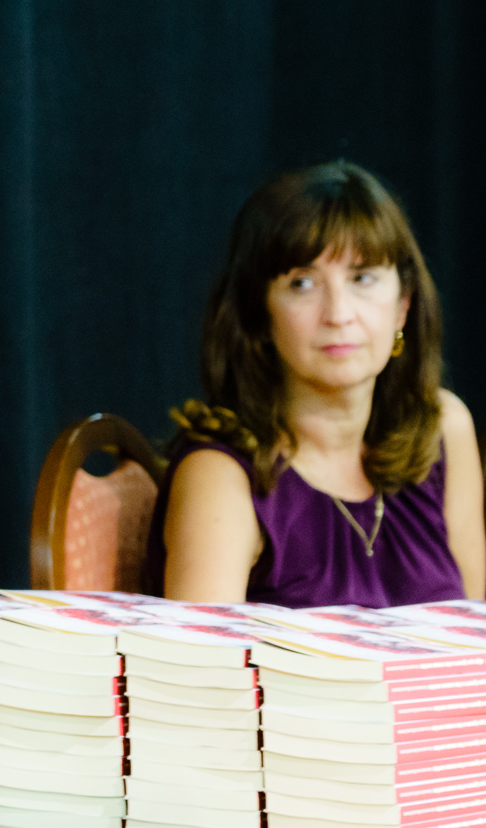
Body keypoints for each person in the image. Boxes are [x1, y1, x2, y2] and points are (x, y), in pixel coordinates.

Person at [149, 160, 485, 608]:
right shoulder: (220, 473)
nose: (339, 314)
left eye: (362, 278)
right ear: (260, 314)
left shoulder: (443, 428)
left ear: (403, 306)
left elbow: (474, 633)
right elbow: (201, 655)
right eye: (303, 284)